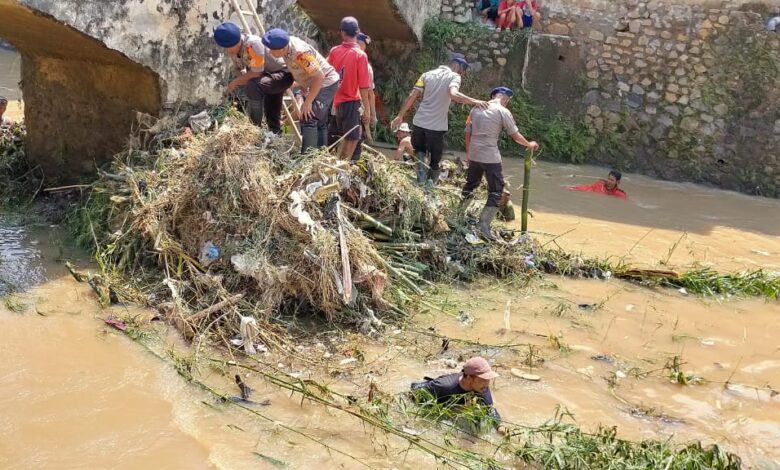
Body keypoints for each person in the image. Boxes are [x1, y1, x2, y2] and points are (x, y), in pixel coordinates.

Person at [390, 58, 487, 185]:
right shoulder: (454, 76)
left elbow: (413, 95)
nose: (462, 74)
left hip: (419, 122)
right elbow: (453, 94)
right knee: (435, 161)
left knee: (419, 150)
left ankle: (421, 177)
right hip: (436, 126)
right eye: (462, 71)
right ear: (457, 67)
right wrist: (476, 101)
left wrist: (400, 115)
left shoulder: (426, 75)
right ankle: (429, 187)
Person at [461, 86, 539, 241]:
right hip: (490, 157)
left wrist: (469, 153)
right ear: (506, 99)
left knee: (471, 184)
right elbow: (515, 135)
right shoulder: (503, 112)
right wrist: (529, 144)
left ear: (493, 96)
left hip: (475, 154)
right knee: (496, 191)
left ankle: (459, 212)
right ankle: (483, 225)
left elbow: (467, 133)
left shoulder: (476, 108)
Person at [262, 28, 340, 153]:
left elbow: (319, 76)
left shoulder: (300, 54)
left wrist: (308, 102)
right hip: (317, 82)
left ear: (282, 48)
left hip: (326, 83)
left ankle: (307, 158)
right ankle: (320, 155)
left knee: (308, 117)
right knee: (319, 123)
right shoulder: (287, 48)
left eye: (272, 49)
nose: (270, 52)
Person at [213, 22, 293, 134]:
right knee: (270, 105)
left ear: (237, 42)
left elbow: (256, 73)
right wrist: (241, 80)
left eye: (229, 48)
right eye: (226, 48)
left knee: (254, 86)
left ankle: (254, 128)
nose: (228, 51)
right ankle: (273, 133)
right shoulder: (233, 50)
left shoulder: (252, 45)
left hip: (282, 75)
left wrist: (236, 82)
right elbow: (237, 69)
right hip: (265, 78)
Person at [327, 17, 372, 161]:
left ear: (342, 33)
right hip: (352, 101)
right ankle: (344, 164)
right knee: (353, 136)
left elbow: (326, 71)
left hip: (337, 101)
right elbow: (364, 86)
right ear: (357, 32)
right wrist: (367, 109)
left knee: (344, 135)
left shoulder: (334, 51)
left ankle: (339, 161)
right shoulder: (360, 55)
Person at [410, 357, 502, 425]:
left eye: (488, 379)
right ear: (469, 378)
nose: (487, 383)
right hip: (428, 390)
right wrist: (458, 410)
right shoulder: (444, 386)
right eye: (484, 379)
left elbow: (489, 409)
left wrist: (500, 427)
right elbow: (415, 393)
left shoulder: (482, 387)